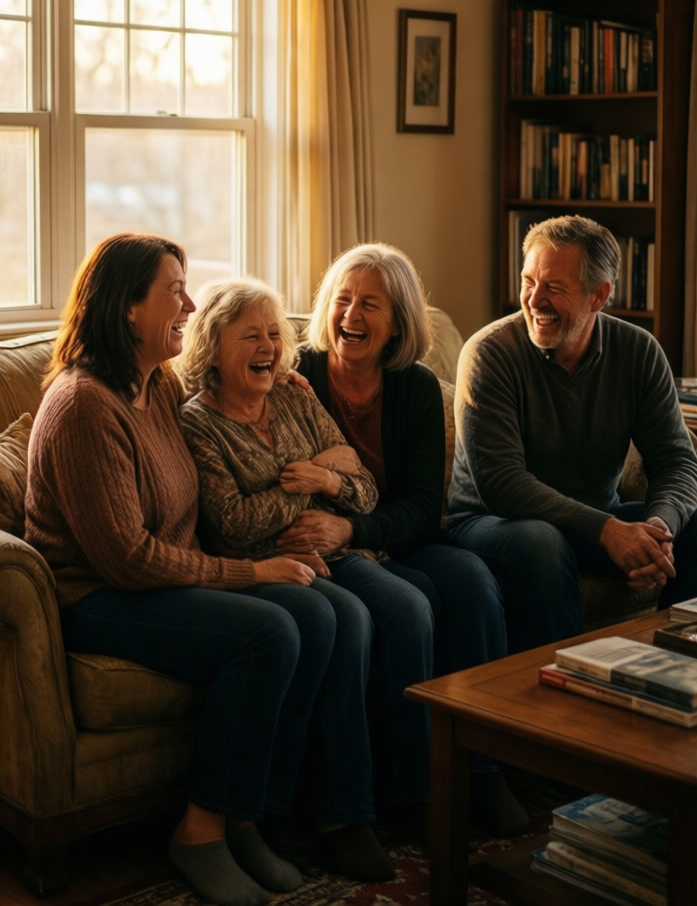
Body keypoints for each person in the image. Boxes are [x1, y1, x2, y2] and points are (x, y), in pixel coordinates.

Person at [23, 234, 370, 906]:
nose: (188, 302)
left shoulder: (156, 384)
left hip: (160, 581)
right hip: (97, 597)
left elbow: (219, 404)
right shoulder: (85, 404)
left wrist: (277, 378)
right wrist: (250, 574)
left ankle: (251, 816)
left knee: (318, 612)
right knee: (268, 631)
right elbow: (127, 557)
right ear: (127, 308)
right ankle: (202, 831)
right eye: (172, 290)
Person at [175, 276, 431, 872]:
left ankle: (410, 793)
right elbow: (235, 524)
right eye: (250, 337)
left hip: (336, 550)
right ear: (213, 346)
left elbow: (364, 492)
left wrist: (335, 483)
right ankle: (343, 813)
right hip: (263, 566)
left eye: (273, 334)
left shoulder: (295, 393)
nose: (268, 347)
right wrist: (314, 474)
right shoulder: (198, 424)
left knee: (408, 606)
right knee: (347, 619)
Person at [283, 242, 528, 836]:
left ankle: (484, 774)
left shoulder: (415, 387)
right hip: (332, 546)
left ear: (398, 322)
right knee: (409, 606)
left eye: (371, 303)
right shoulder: (297, 376)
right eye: (342, 300)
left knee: (473, 583)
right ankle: (409, 790)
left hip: (395, 534)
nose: (351, 316)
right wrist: (346, 529)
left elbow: (421, 508)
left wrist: (356, 523)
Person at [446, 214, 697, 654]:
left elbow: (677, 460)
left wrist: (660, 529)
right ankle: (561, 697)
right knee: (541, 542)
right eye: (528, 282)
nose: (533, 300)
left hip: (595, 518)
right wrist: (609, 531)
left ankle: (674, 675)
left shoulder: (638, 351)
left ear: (599, 295)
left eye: (554, 288)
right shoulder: (490, 354)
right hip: (492, 522)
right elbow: (501, 482)